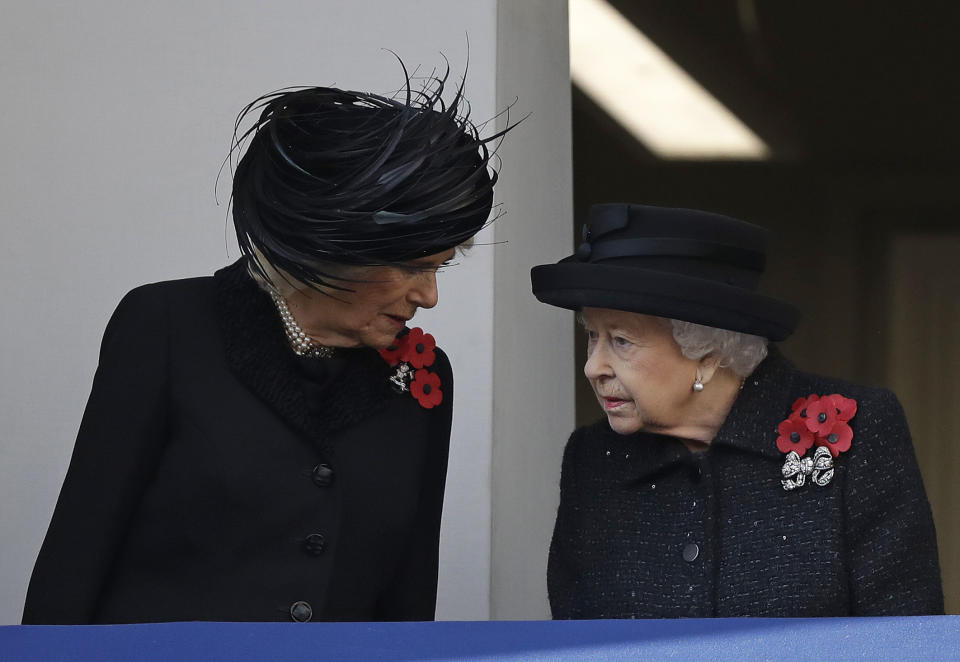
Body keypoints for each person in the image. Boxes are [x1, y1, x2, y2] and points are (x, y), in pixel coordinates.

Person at [23, 65, 507, 624]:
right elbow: (80, 547)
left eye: (441, 267)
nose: (429, 297)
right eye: (413, 267)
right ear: (333, 244)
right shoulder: (166, 327)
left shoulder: (424, 378)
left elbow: (409, 589)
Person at [530, 203, 944, 618]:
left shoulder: (861, 430)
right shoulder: (591, 459)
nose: (593, 367)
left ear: (706, 355)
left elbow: (905, 631)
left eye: (621, 341)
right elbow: (576, 640)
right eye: (592, 337)